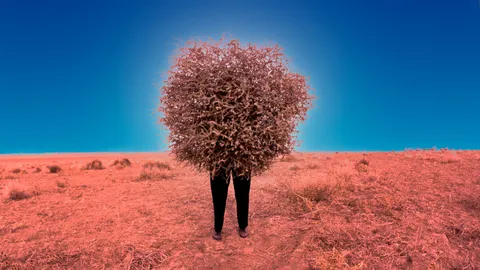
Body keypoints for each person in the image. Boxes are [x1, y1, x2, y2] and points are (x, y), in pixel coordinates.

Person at [210, 163, 251, 240]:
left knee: (243, 192)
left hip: (241, 157)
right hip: (218, 157)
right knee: (218, 193)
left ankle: (243, 226)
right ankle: (218, 228)